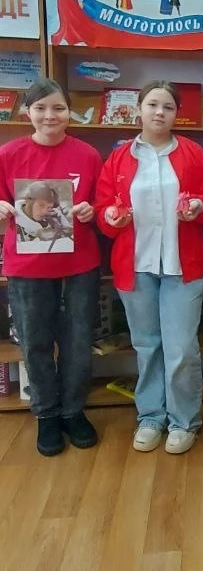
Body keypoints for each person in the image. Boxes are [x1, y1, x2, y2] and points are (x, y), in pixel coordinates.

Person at [96, 82, 203, 455]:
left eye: (168, 107)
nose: (159, 112)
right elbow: (104, 212)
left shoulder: (193, 153)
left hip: (182, 267)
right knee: (147, 346)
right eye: (152, 104)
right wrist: (111, 217)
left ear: (176, 114)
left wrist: (200, 207)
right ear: (139, 109)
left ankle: (184, 421)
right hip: (135, 267)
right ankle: (151, 417)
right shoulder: (118, 158)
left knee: (181, 348)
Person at [0, 79, 101, 457]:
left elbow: (105, 203)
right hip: (27, 264)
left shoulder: (88, 154)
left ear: (69, 112)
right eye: (40, 108)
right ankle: (46, 414)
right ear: (27, 112)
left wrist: (91, 210)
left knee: (78, 340)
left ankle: (73, 410)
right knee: (35, 341)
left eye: (58, 108)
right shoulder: (8, 154)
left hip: (79, 262)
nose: (49, 116)